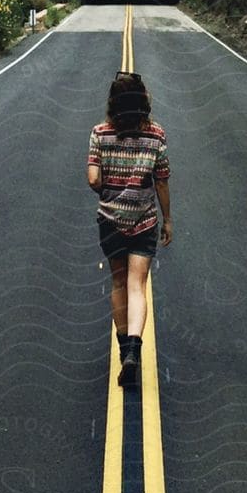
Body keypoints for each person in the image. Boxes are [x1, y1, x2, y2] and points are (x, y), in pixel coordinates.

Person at [87, 70, 172, 388]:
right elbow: (161, 180)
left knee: (119, 283)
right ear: (143, 103)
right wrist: (168, 220)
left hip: (110, 221)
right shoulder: (156, 134)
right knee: (138, 284)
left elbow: (94, 178)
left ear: (113, 103)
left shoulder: (99, 133)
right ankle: (135, 348)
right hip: (144, 220)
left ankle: (125, 350)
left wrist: (108, 191)